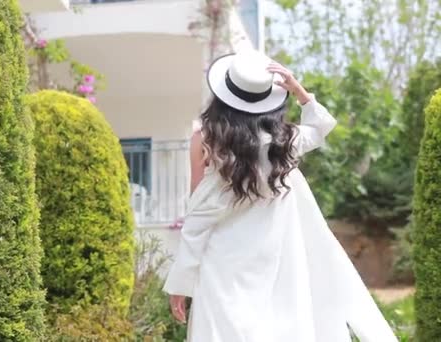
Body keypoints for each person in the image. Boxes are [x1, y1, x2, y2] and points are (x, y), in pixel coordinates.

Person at [163, 49, 397, 342]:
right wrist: (298, 90)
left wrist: (181, 283)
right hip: (274, 259)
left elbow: (197, 214)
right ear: (267, 99)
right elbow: (322, 126)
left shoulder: (207, 140)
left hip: (222, 263)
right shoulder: (286, 142)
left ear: (223, 95)